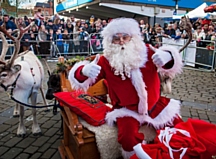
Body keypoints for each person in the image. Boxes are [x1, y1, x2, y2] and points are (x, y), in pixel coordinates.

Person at [68, 18, 184, 159]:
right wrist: (83, 70)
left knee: (179, 127)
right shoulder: (105, 60)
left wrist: (169, 56)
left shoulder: (147, 51)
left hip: (155, 106)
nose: (121, 41)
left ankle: (177, 153)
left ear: (133, 37)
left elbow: (168, 66)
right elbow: (82, 80)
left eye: (125, 37)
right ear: (110, 41)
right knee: (127, 138)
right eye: (116, 39)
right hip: (126, 111)